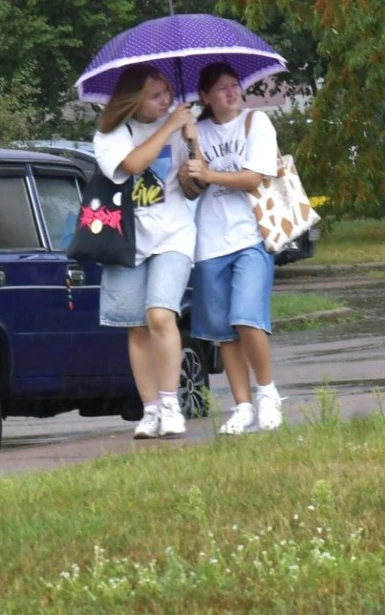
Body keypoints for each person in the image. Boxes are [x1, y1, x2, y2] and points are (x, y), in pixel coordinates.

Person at [178, 62, 283, 435]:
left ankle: (267, 393)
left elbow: (255, 177)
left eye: (235, 85)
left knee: (246, 317)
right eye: (221, 88)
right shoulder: (197, 131)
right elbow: (191, 186)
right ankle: (242, 406)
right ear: (205, 96)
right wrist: (190, 141)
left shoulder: (257, 123)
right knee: (224, 332)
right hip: (209, 243)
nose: (231, 92)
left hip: (252, 237)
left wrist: (210, 175)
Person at [93, 64, 196, 439]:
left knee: (159, 316)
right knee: (135, 326)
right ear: (133, 99)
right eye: (156, 95)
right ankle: (150, 410)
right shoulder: (110, 133)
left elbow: (193, 184)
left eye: (167, 92)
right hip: (126, 240)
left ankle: (171, 404)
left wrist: (193, 142)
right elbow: (133, 164)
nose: (165, 100)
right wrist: (169, 127)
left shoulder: (177, 126)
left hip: (174, 235)